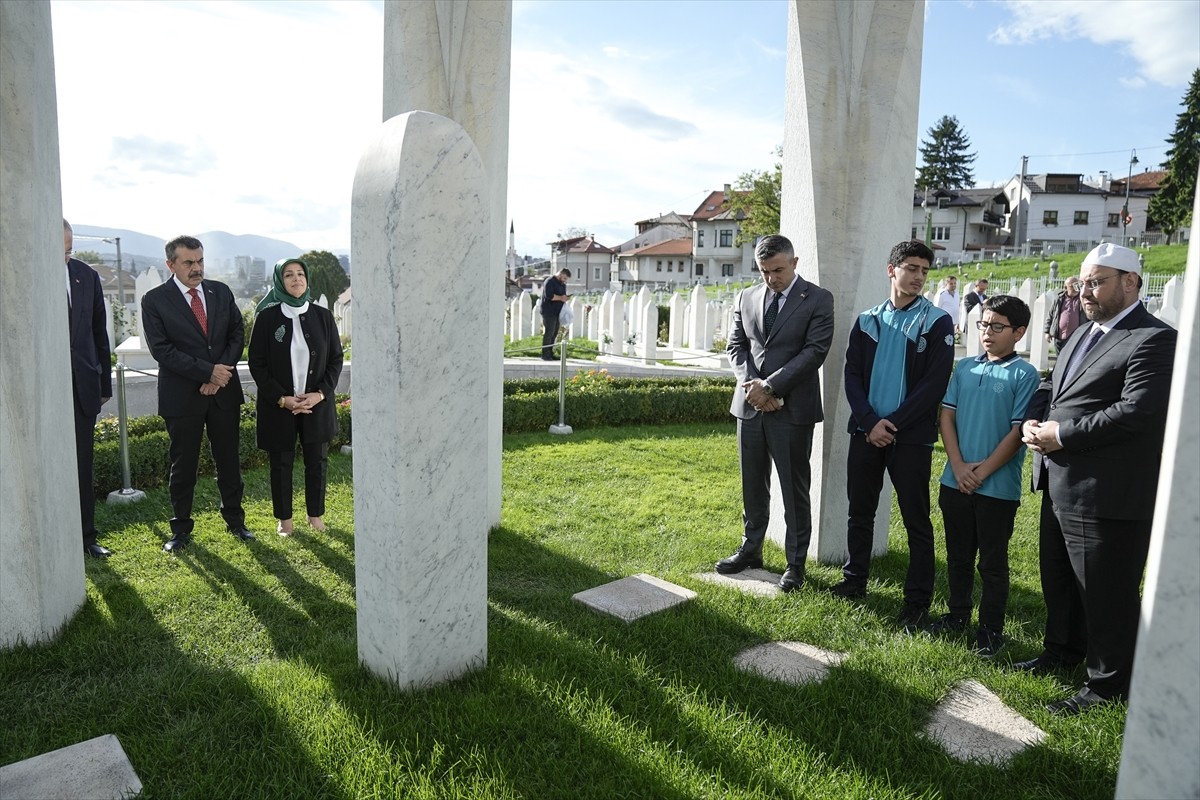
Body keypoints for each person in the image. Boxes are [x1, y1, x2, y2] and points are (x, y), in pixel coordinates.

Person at [1020, 243, 1176, 716]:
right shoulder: (1083, 332)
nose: (1085, 291)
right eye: (1083, 282)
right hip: (1060, 481)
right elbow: (1053, 387)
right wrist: (1033, 421)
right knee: (1060, 579)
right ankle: (1061, 651)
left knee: (1106, 592)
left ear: (1131, 282)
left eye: (1096, 282)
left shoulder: (1154, 338)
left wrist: (1061, 435)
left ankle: (1108, 686)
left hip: (1107, 490)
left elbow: (1137, 412)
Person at [830, 240, 955, 632]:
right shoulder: (867, 320)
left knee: (916, 519)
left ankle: (916, 602)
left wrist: (892, 424)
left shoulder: (937, 321)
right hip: (865, 433)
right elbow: (851, 375)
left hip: (910, 437)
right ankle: (854, 580)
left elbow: (934, 384)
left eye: (924, 271)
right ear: (892, 270)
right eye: (912, 268)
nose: (919, 277)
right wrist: (870, 422)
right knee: (859, 511)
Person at [715, 234, 835, 592]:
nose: (771, 278)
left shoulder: (818, 298)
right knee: (752, 484)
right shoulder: (746, 296)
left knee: (794, 490)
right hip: (750, 407)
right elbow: (736, 347)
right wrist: (753, 387)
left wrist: (770, 387)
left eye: (778, 270)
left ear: (794, 263)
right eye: (764, 271)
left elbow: (815, 351)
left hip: (792, 410)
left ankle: (795, 565)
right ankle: (750, 550)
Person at [928, 295, 1039, 658]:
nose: (987, 332)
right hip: (954, 481)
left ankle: (990, 629)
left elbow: (1017, 432)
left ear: (1018, 332)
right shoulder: (964, 368)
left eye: (997, 326)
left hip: (997, 489)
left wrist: (981, 472)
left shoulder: (1024, 374)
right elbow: (946, 416)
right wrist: (959, 466)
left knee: (992, 563)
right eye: (984, 324)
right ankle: (957, 615)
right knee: (958, 557)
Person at [142, 235, 254, 552]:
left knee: (229, 461)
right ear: (171, 264)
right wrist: (207, 372)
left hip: (223, 392)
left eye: (200, 260)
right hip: (182, 397)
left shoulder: (221, 292)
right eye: (189, 262)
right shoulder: (154, 301)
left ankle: (236, 522)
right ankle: (180, 530)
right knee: (183, 466)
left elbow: (236, 334)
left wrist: (219, 374)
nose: (197, 268)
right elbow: (162, 350)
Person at [249, 258, 344, 535]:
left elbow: (335, 359)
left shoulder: (323, 316)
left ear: (307, 279)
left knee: (317, 462)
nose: (296, 279)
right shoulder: (267, 318)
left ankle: (315, 516)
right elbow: (257, 364)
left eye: (300, 274)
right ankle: (285, 520)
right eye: (289, 274)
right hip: (280, 406)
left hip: (316, 404)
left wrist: (320, 394)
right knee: (281, 464)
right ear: (280, 281)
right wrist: (282, 398)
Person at [63, 219, 114, 558]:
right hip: (43, 391)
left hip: (83, 386)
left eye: (68, 250)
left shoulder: (86, 275)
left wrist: (103, 383)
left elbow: (99, 332)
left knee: (83, 465)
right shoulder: (26, 273)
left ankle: (86, 538)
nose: (64, 258)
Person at [1043, 276, 1084, 351]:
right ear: (1065, 288)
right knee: (1060, 357)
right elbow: (1050, 316)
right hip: (1059, 338)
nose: (1076, 288)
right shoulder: (1059, 299)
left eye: (1077, 285)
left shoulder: (1082, 299)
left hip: (1076, 338)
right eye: (1072, 286)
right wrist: (1047, 332)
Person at [540, 268, 571, 360]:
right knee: (549, 332)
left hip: (557, 312)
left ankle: (550, 353)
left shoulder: (562, 284)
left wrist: (565, 298)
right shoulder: (549, 281)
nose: (565, 280)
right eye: (564, 278)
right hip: (549, 311)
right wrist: (561, 298)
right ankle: (545, 354)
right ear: (560, 274)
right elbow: (549, 296)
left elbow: (563, 295)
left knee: (554, 333)